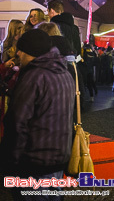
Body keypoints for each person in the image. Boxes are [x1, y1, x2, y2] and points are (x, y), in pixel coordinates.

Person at [0, 29, 75, 199]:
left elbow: (17, 122)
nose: (18, 53)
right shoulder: (64, 73)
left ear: (30, 51)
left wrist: (10, 161)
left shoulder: (35, 76)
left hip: (34, 160)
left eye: (21, 49)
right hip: (58, 158)